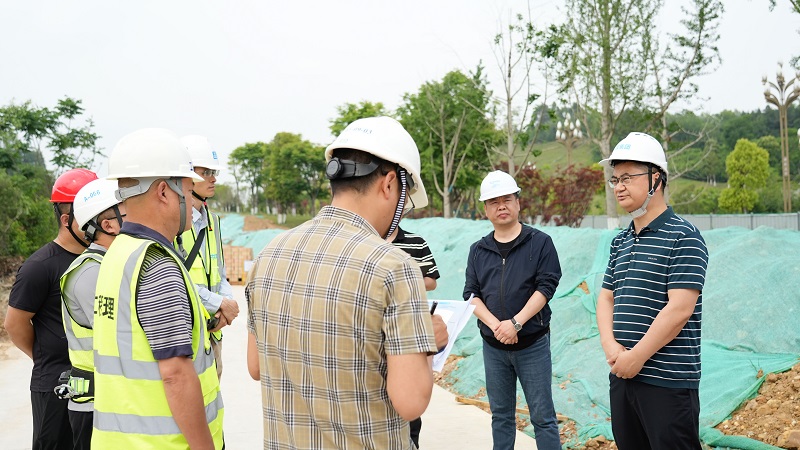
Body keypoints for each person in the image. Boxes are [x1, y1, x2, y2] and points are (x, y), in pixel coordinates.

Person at [246, 116, 448, 449]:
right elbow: (411, 401)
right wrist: (427, 344)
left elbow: (256, 366)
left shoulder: (270, 254)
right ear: (389, 184)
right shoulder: (394, 267)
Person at [91, 128, 224, 449]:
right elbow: (175, 375)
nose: (192, 203)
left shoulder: (118, 252)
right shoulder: (157, 265)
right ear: (164, 192)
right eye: (188, 191)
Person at [596, 132, 708, 450]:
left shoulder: (684, 236)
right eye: (615, 179)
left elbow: (680, 309)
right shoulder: (621, 240)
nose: (618, 186)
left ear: (656, 179)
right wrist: (611, 347)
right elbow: (606, 297)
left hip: (667, 383)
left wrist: (637, 357)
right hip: (622, 376)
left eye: (627, 178)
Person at [463, 170, 562, 450]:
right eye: (494, 202)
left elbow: (546, 286)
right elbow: (471, 294)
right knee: (501, 417)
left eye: (507, 199)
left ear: (518, 203)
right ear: (486, 210)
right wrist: (498, 326)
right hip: (493, 346)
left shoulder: (540, 242)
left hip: (532, 345)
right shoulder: (478, 250)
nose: (501, 206)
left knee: (542, 417)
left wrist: (516, 323)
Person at [4, 168, 98, 450]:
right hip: (55, 386)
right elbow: (14, 324)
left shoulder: (98, 261)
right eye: (90, 215)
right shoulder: (40, 266)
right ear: (67, 219)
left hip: (95, 384)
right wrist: (46, 357)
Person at [58, 178, 125, 450]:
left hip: (112, 400)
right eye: (126, 213)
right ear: (108, 225)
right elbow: (123, 334)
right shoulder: (90, 272)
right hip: (94, 406)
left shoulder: (112, 265)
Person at [176, 134, 239, 381]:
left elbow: (220, 273)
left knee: (213, 398)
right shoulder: (175, 223)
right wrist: (219, 303)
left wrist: (226, 306)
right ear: (187, 174)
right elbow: (178, 280)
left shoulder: (213, 221)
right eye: (206, 172)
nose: (213, 178)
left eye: (214, 172)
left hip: (214, 331)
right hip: (188, 334)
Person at [386, 225, 440, 447]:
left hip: (409, 324)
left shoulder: (415, 242)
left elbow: (432, 280)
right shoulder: (365, 240)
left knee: (410, 403)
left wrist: (403, 278)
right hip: (376, 328)